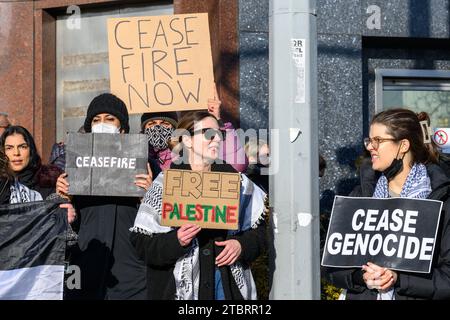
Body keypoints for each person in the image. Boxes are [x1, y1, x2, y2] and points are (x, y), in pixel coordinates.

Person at [130, 111, 267, 300]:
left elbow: (261, 232)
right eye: (209, 133)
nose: (216, 139)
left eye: (220, 134)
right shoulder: (165, 183)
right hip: (177, 290)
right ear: (187, 141)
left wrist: (241, 245)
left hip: (227, 287)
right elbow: (141, 243)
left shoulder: (237, 182)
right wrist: (176, 240)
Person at [326, 108, 450, 300]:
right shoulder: (360, 196)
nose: (370, 147)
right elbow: (331, 265)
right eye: (369, 140)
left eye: (378, 140)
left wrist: (399, 279)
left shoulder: (441, 200)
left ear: (403, 146)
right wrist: (361, 277)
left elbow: (447, 279)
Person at [56, 93, 152, 300]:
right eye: (96, 120)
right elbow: (63, 226)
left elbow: (157, 226)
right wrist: (63, 198)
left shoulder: (143, 165)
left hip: (130, 274)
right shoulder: (76, 164)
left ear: (122, 128)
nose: (102, 124)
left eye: (110, 119)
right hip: (85, 268)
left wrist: (149, 197)